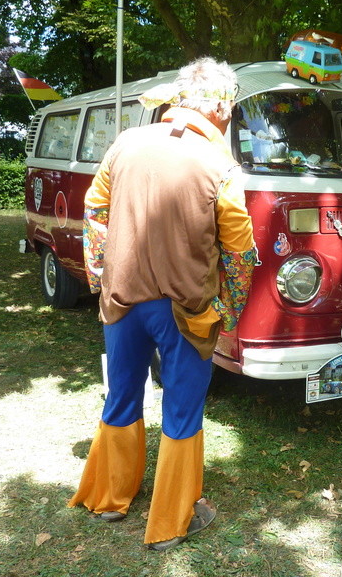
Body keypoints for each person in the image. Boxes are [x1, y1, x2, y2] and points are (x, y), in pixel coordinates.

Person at [68, 57, 256, 551]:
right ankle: (172, 519)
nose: (230, 116)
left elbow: (95, 211)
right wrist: (230, 313)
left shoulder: (126, 142)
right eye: (230, 108)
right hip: (186, 309)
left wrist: (100, 277)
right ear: (219, 107)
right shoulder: (221, 166)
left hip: (122, 300)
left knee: (122, 395)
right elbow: (239, 252)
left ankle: (109, 497)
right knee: (183, 410)